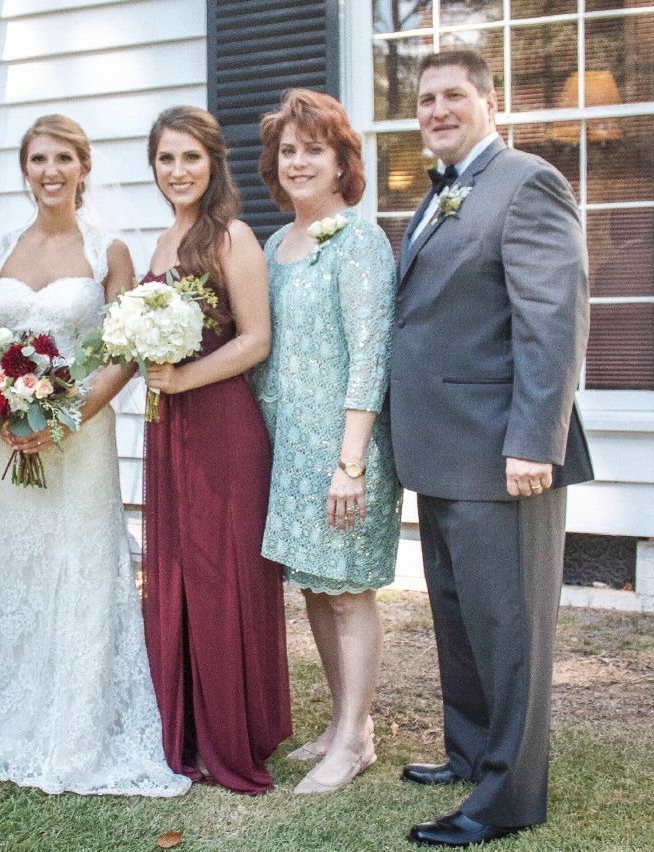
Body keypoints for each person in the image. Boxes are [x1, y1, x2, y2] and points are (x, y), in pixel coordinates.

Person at [0, 115, 190, 798]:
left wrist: (67, 414)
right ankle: (10, 718)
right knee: (17, 564)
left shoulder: (106, 248)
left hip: (79, 436)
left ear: (82, 167)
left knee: (80, 567)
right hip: (10, 439)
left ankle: (78, 728)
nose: (49, 171)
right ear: (23, 169)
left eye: (62, 159)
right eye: (36, 160)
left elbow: (121, 350)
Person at [392, 49, 592, 847]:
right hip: (442, 450)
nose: (436, 109)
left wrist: (532, 442)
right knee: (459, 617)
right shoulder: (437, 194)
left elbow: (553, 323)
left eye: (451, 95)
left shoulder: (527, 182)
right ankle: (471, 752)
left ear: (488, 99)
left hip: (504, 454)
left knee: (509, 630)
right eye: (425, 99)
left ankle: (507, 798)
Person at [140, 106, 292, 795]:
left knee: (219, 573)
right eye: (166, 159)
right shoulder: (160, 241)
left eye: (190, 158)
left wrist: (181, 378)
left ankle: (234, 731)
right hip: (167, 427)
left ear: (212, 163)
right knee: (175, 571)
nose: (178, 172)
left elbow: (255, 338)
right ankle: (188, 727)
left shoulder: (231, 235)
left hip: (221, 427)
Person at [254, 89, 401, 794]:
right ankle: (347, 724)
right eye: (289, 150)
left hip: (345, 446)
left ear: (343, 161)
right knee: (312, 587)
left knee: (347, 593)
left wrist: (350, 465)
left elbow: (370, 356)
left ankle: (353, 740)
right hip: (288, 447)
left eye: (314, 149)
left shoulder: (359, 241)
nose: (299, 161)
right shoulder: (269, 244)